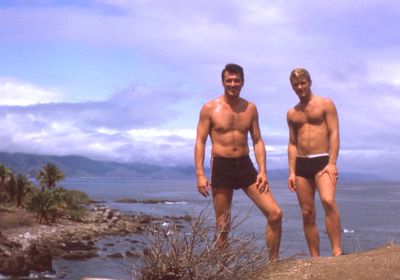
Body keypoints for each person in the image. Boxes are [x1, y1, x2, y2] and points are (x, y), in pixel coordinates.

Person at [194, 63, 282, 261]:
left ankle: (274, 266)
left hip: (245, 166)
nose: (232, 84)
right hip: (222, 167)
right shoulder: (209, 108)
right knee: (223, 226)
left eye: (236, 80)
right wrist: (200, 174)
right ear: (222, 82)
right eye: (229, 80)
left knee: (275, 213)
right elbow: (200, 141)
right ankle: (221, 271)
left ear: (242, 82)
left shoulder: (250, 108)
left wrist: (263, 171)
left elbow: (258, 140)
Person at [286, 68, 342, 257]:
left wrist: (332, 162)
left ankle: (336, 251)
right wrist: (292, 171)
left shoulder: (325, 104)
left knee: (328, 201)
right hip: (301, 164)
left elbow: (334, 133)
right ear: (292, 87)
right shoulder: (292, 113)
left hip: (322, 161)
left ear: (310, 82)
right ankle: (315, 258)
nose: (300, 87)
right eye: (296, 84)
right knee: (307, 213)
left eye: (303, 83)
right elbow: (292, 143)